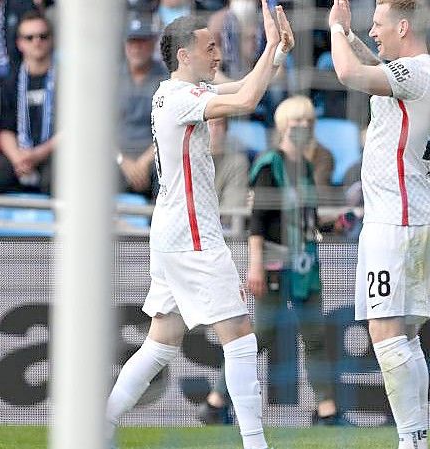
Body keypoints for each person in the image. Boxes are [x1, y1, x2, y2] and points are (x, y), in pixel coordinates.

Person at [105, 5, 294, 449]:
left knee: (161, 342)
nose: (218, 53)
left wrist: (277, 51)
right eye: (210, 47)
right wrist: (268, 47)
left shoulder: (175, 91)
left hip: (171, 231)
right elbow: (247, 101)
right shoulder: (179, 99)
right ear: (185, 55)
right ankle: (255, 443)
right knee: (240, 335)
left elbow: (246, 86)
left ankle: (100, 425)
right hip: (192, 235)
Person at [328, 0, 430, 447]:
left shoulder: (414, 73)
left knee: (385, 333)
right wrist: (354, 36)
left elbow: (349, 74)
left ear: (402, 26)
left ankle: (409, 441)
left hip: (396, 218)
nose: (372, 32)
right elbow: (374, 66)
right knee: (405, 335)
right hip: (415, 213)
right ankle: (417, 437)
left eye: (377, 25)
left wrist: (337, 31)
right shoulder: (428, 72)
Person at [198, 96, 343, 427]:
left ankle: (326, 409)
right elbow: (258, 221)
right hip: (275, 264)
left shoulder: (305, 168)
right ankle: (216, 400)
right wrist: (255, 264)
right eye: (296, 123)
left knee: (315, 337)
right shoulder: (268, 165)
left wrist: (331, 223)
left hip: (304, 264)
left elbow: (306, 218)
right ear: (282, 127)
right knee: (259, 336)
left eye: (308, 123)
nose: (303, 129)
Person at [0, 11, 57, 195]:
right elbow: (5, 129)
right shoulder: (10, 81)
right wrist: (17, 158)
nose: (37, 41)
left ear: (51, 40)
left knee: (55, 182)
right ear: (20, 43)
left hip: (52, 153)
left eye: (43, 36)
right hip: (19, 152)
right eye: (29, 37)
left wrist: (37, 155)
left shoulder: (67, 80)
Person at [115, 11, 168, 200]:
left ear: (153, 43)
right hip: (118, 157)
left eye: (142, 41)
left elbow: (168, 130)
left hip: (153, 155)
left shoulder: (165, 78)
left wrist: (144, 162)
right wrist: (122, 161)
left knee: (168, 166)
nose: (136, 48)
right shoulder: (111, 77)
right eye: (132, 41)